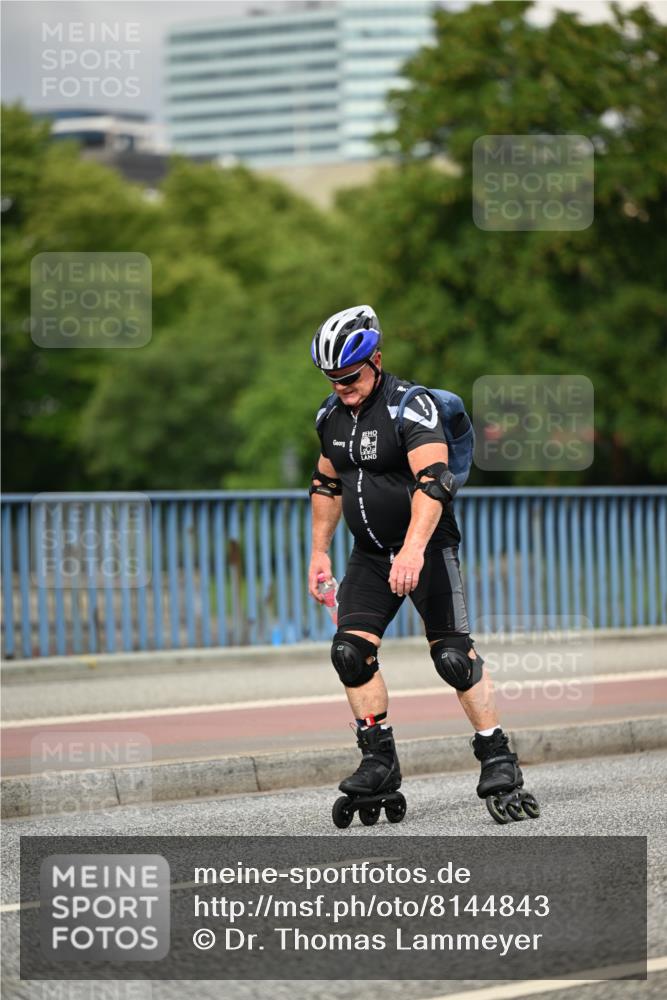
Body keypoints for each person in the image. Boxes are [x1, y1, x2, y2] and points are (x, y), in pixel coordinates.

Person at [307, 304, 528, 816]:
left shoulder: (411, 407)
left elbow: (435, 481)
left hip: (426, 547)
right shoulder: (330, 416)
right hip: (368, 555)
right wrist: (319, 552)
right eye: (332, 378)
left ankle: (497, 755)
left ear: (377, 360)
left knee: (452, 656)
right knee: (348, 653)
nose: (342, 386)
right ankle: (378, 759)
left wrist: (411, 549)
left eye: (351, 376)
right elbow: (326, 483)